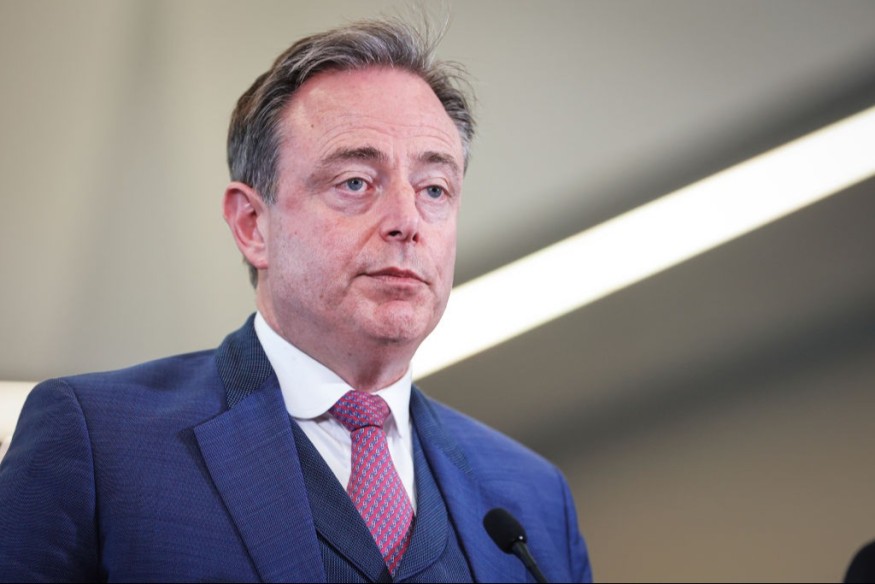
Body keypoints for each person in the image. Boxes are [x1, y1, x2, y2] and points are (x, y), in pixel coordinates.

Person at [0, 17, 592, 583]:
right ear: (252, 224)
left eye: (434, 189)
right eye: (355, 182)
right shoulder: (100, 443)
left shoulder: (534, 500)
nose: (407, 221)